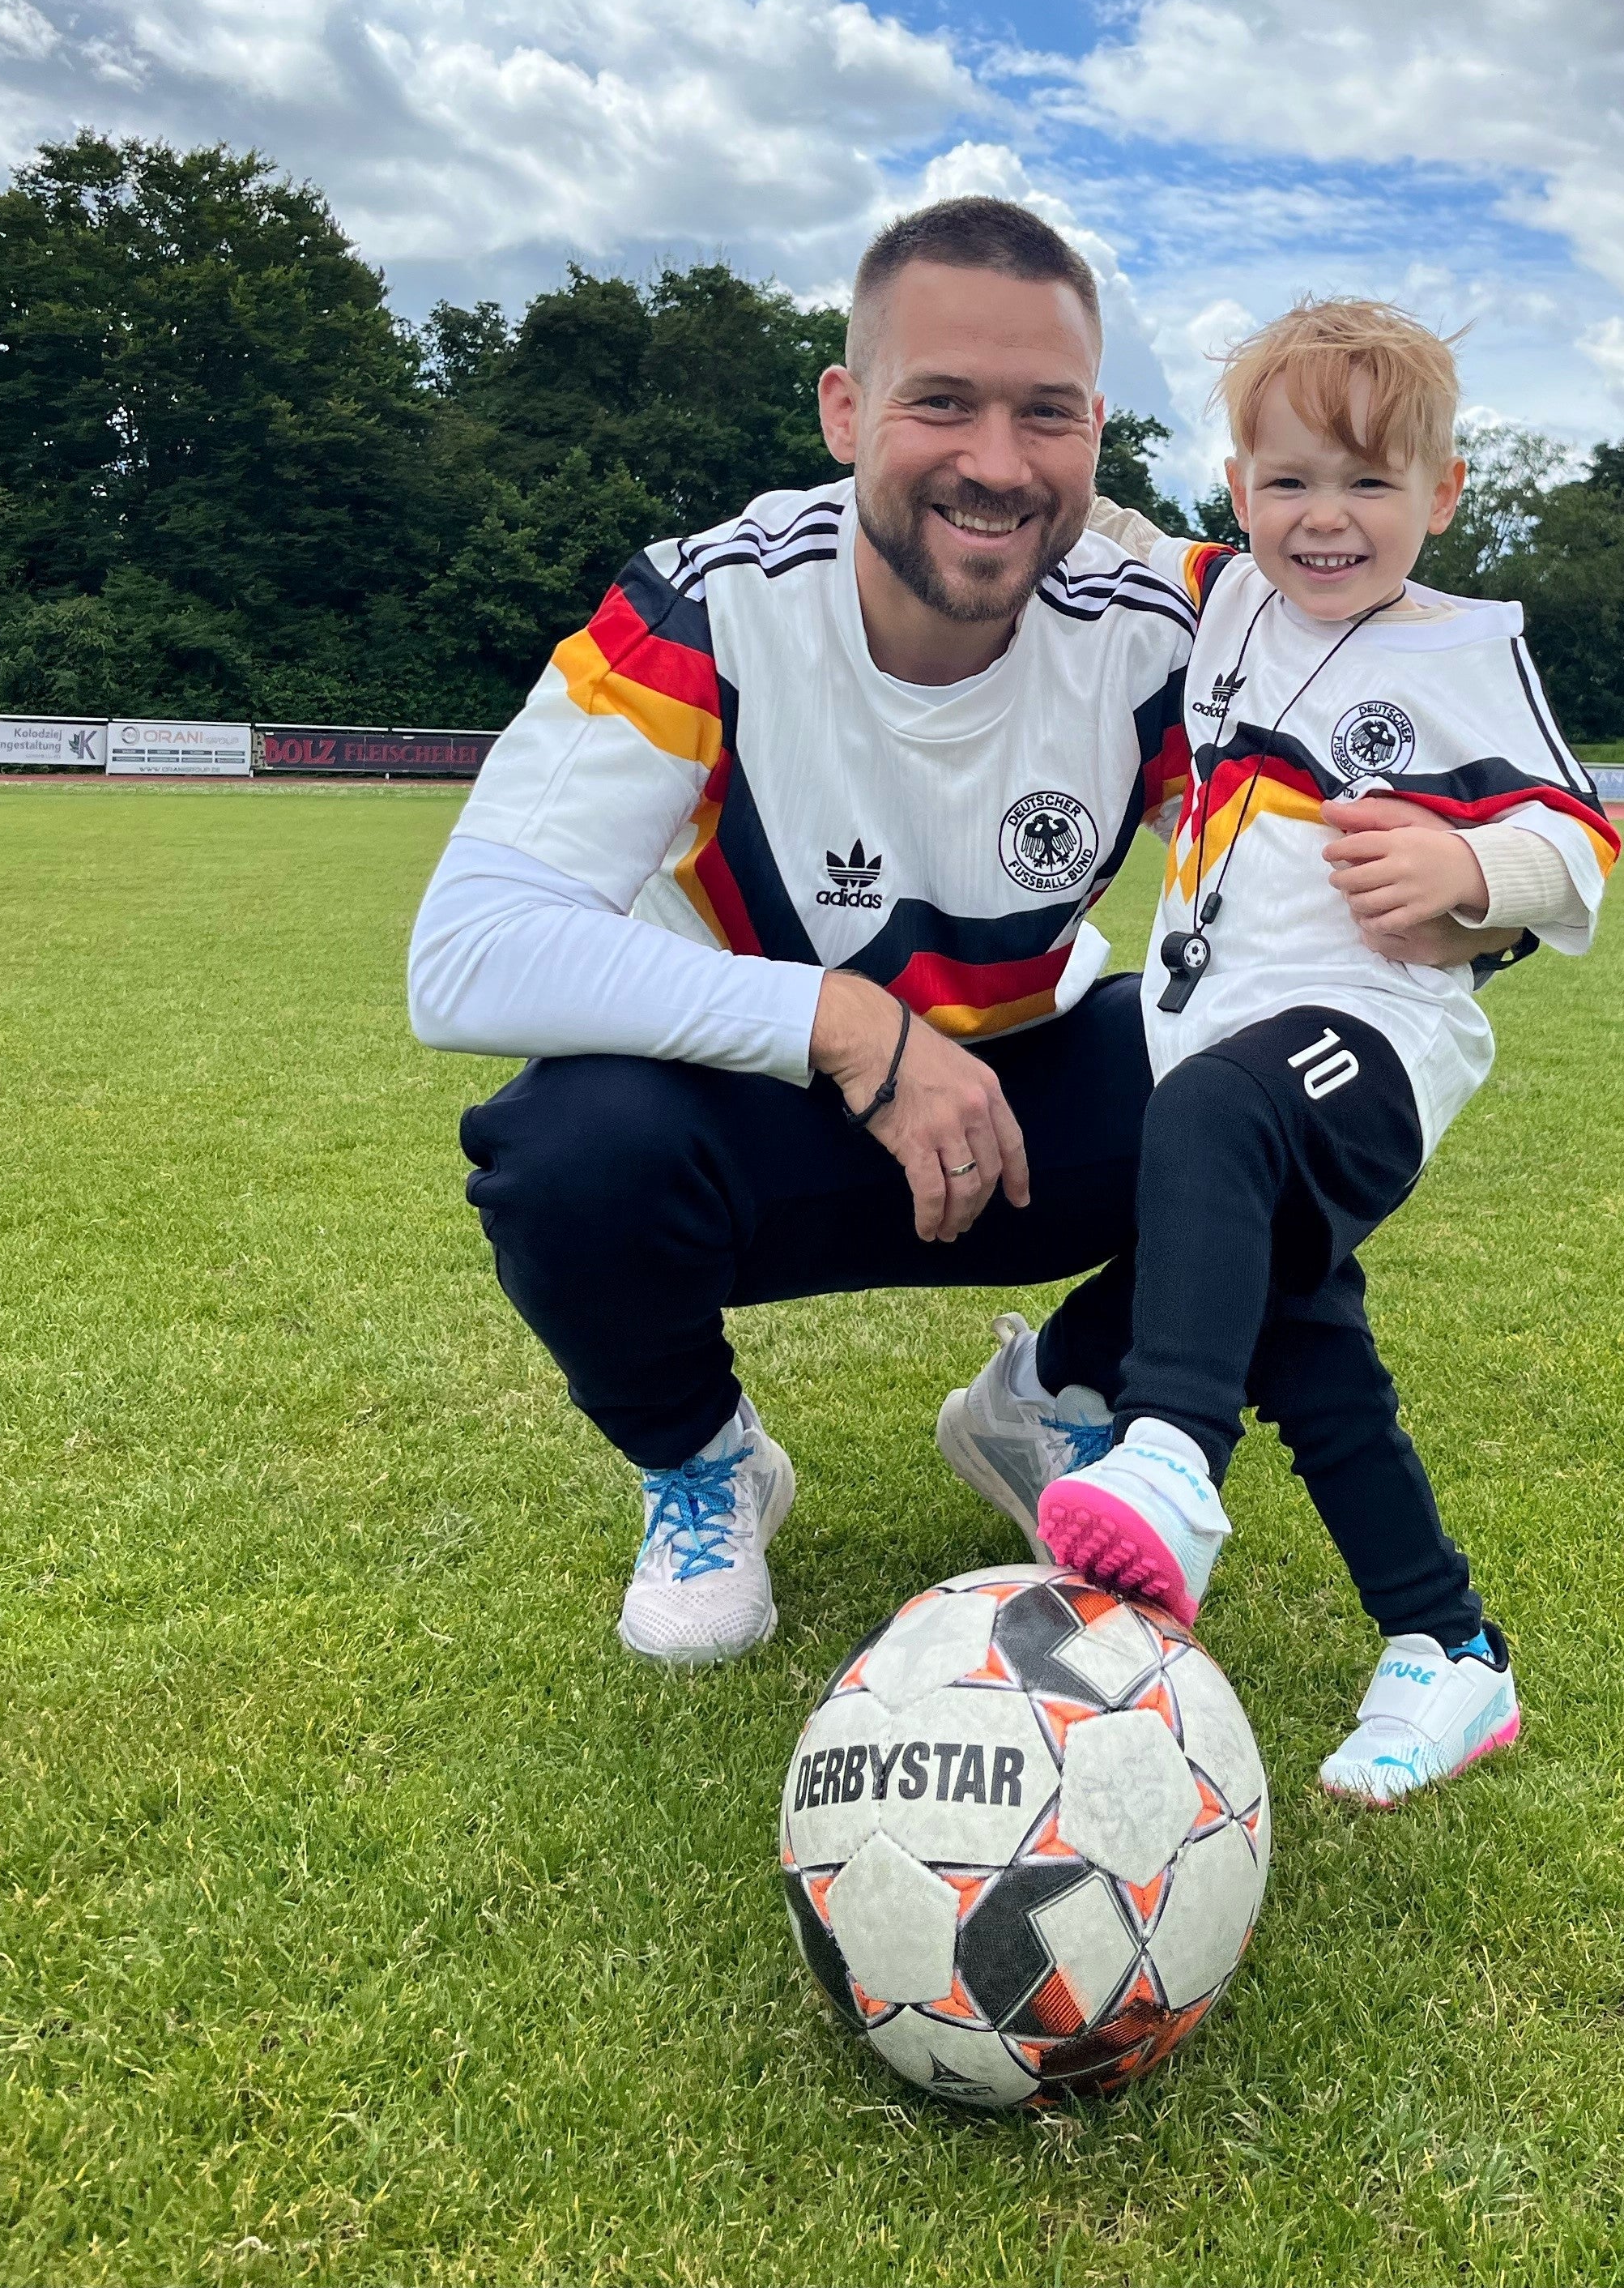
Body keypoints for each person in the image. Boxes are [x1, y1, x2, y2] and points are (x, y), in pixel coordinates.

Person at [405, 200, 1498, 1667]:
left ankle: (1058, 1397)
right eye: (942, 404)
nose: (996, 463)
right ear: (848, 410)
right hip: (771, 1121)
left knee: (1313, 1089)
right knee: (562, 1154)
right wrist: (853, 1028)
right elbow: (468, 949)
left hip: (1044, 1114)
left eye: (1045, 414)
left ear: (1097, 431)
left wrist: (1483, 882)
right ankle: (706, 1464)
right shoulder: (710, 608)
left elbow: (1403, 788)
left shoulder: (1177, 622)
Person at [1035, 298, 1616, 1803]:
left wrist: (1474, 880)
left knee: (1217, 1125)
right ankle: (1445, 1651)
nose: (1327, 519)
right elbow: (1096, 523)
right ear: (1239, 489)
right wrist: (996, 446)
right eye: (1289, 482)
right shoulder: (1221, 599)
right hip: (1211, 1038)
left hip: (1372, 1048)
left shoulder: (1466, 653)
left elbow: (1580, 842)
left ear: (1442, 493)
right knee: (1306, 1333)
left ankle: (1164, 1448)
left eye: (1369, 483)